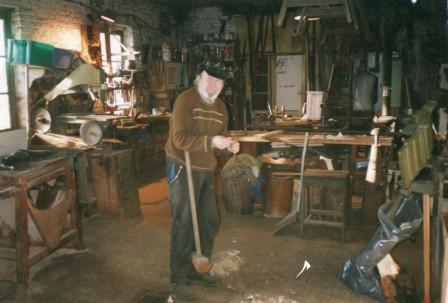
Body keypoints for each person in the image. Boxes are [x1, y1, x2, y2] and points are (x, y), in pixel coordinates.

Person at [164, 61, 240, 301]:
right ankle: (178, 276)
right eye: (208, 78)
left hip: (206, 167)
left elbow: (218, 144)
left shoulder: (220, 107)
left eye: (218, 81)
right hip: (182, 165)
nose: (212, 84)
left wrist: (228, 146)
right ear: (198, 78)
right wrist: (212, 142)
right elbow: (179, 139)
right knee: (184, 221)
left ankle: (200, 268)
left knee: (209, 219)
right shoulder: (185, 100)